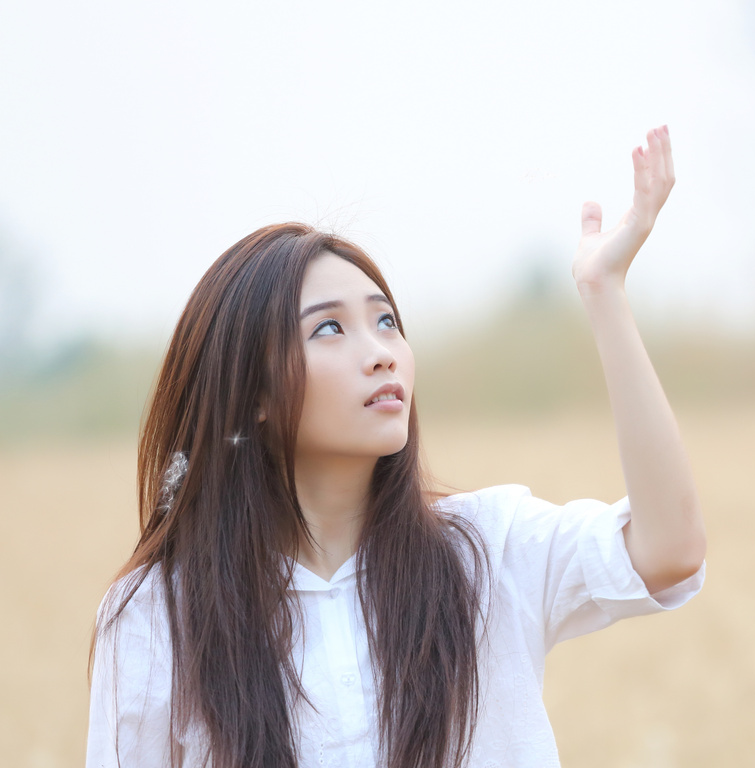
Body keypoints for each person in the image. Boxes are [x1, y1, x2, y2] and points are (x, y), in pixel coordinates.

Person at [86, 124, 706, 768]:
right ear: (253, 394)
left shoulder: (486, 554)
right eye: (330, 328)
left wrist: (604, 292)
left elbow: (669, 550)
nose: (381, 353)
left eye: (386, 321)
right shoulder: (158, 618)